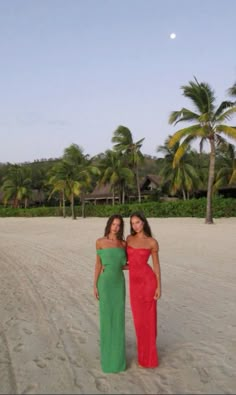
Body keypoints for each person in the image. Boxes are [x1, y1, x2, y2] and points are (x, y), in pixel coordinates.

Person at [126, 211, 161, 368]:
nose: (135, 225)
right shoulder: (128, 239)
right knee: (138, 321)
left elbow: (156, 265)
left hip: (148, 283)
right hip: (134, 284)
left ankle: (149, 357)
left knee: (149, 320)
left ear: (144, 223)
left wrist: (159, 286)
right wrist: (112, 267)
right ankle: (142, 355)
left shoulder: (152, 242)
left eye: (138, 222)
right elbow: (129, 262)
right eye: (133, 223)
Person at [93, 214, 127, 373]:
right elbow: (98, 265)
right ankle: (107, 360)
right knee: (107, 319)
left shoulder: (123, 244)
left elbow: (124, 265)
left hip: (119, 284)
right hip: (105, 284)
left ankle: (118, 360)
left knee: (119, 320)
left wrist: (140, 267)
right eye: (113, 224)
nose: (116, 227)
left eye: (119, 225)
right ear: (109, 225)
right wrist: (94, 285)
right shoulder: (100, 242)